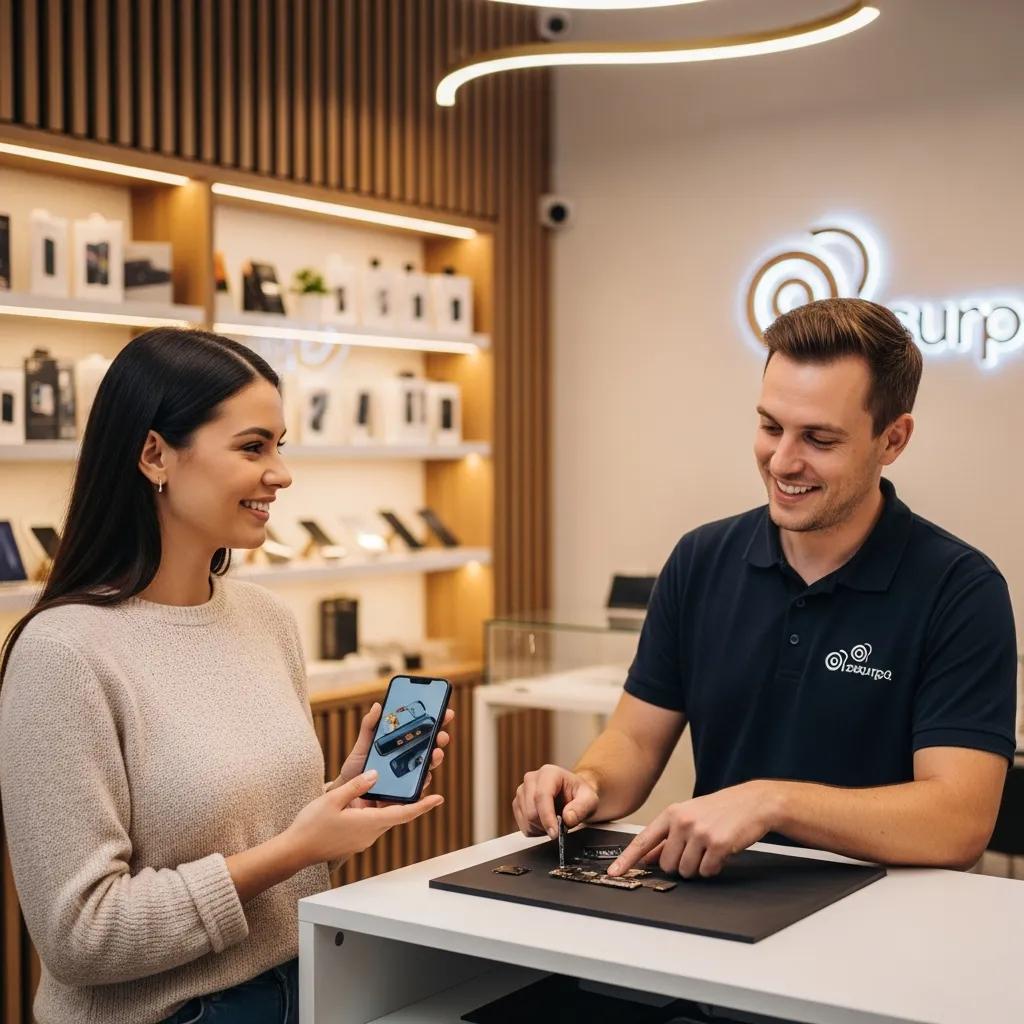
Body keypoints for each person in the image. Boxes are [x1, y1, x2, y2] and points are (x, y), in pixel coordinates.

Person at [0, 329, 453, 1024]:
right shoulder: (61, 655)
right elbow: (80, 936)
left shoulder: (265, 619)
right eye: (252, 447)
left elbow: (251, 839)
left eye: (281, 445)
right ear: (156, 454)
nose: (281, 473)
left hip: (307, 984)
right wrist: (295, 850)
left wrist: (342, 800)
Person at [513, 298, 1015, 881]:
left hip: (885, 929)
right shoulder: (701, 559)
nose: (782, 460)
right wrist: (588, 784)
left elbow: (958, 821)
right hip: (714, 912)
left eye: (819, 439)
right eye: (771, 426)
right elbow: (634, 739)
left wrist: (773, 801)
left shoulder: (960, 589)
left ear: (893, 439)